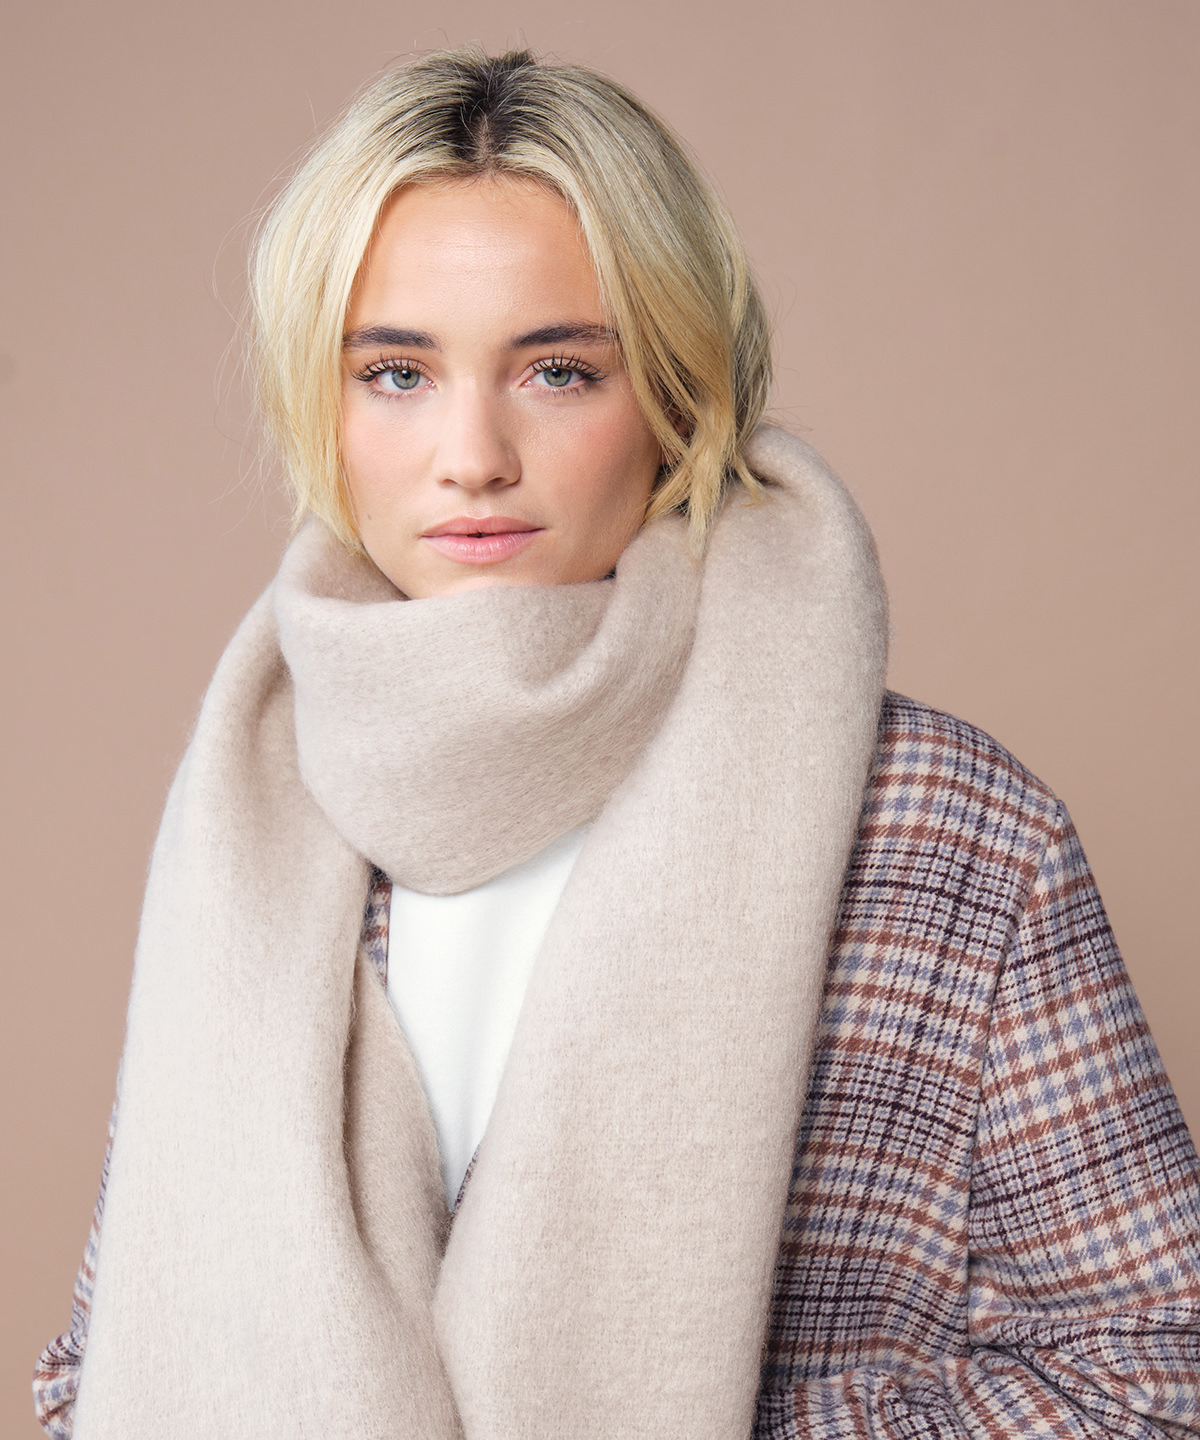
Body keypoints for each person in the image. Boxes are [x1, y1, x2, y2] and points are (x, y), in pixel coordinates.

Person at [34, 46, 1200, 1440]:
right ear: (321, 410)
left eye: (558, 370)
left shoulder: (942, 829)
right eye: (396, 372)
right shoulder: (256, 807)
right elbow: (104, 1365)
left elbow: (1154, 1372)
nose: (473, 454)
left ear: (675, 394)